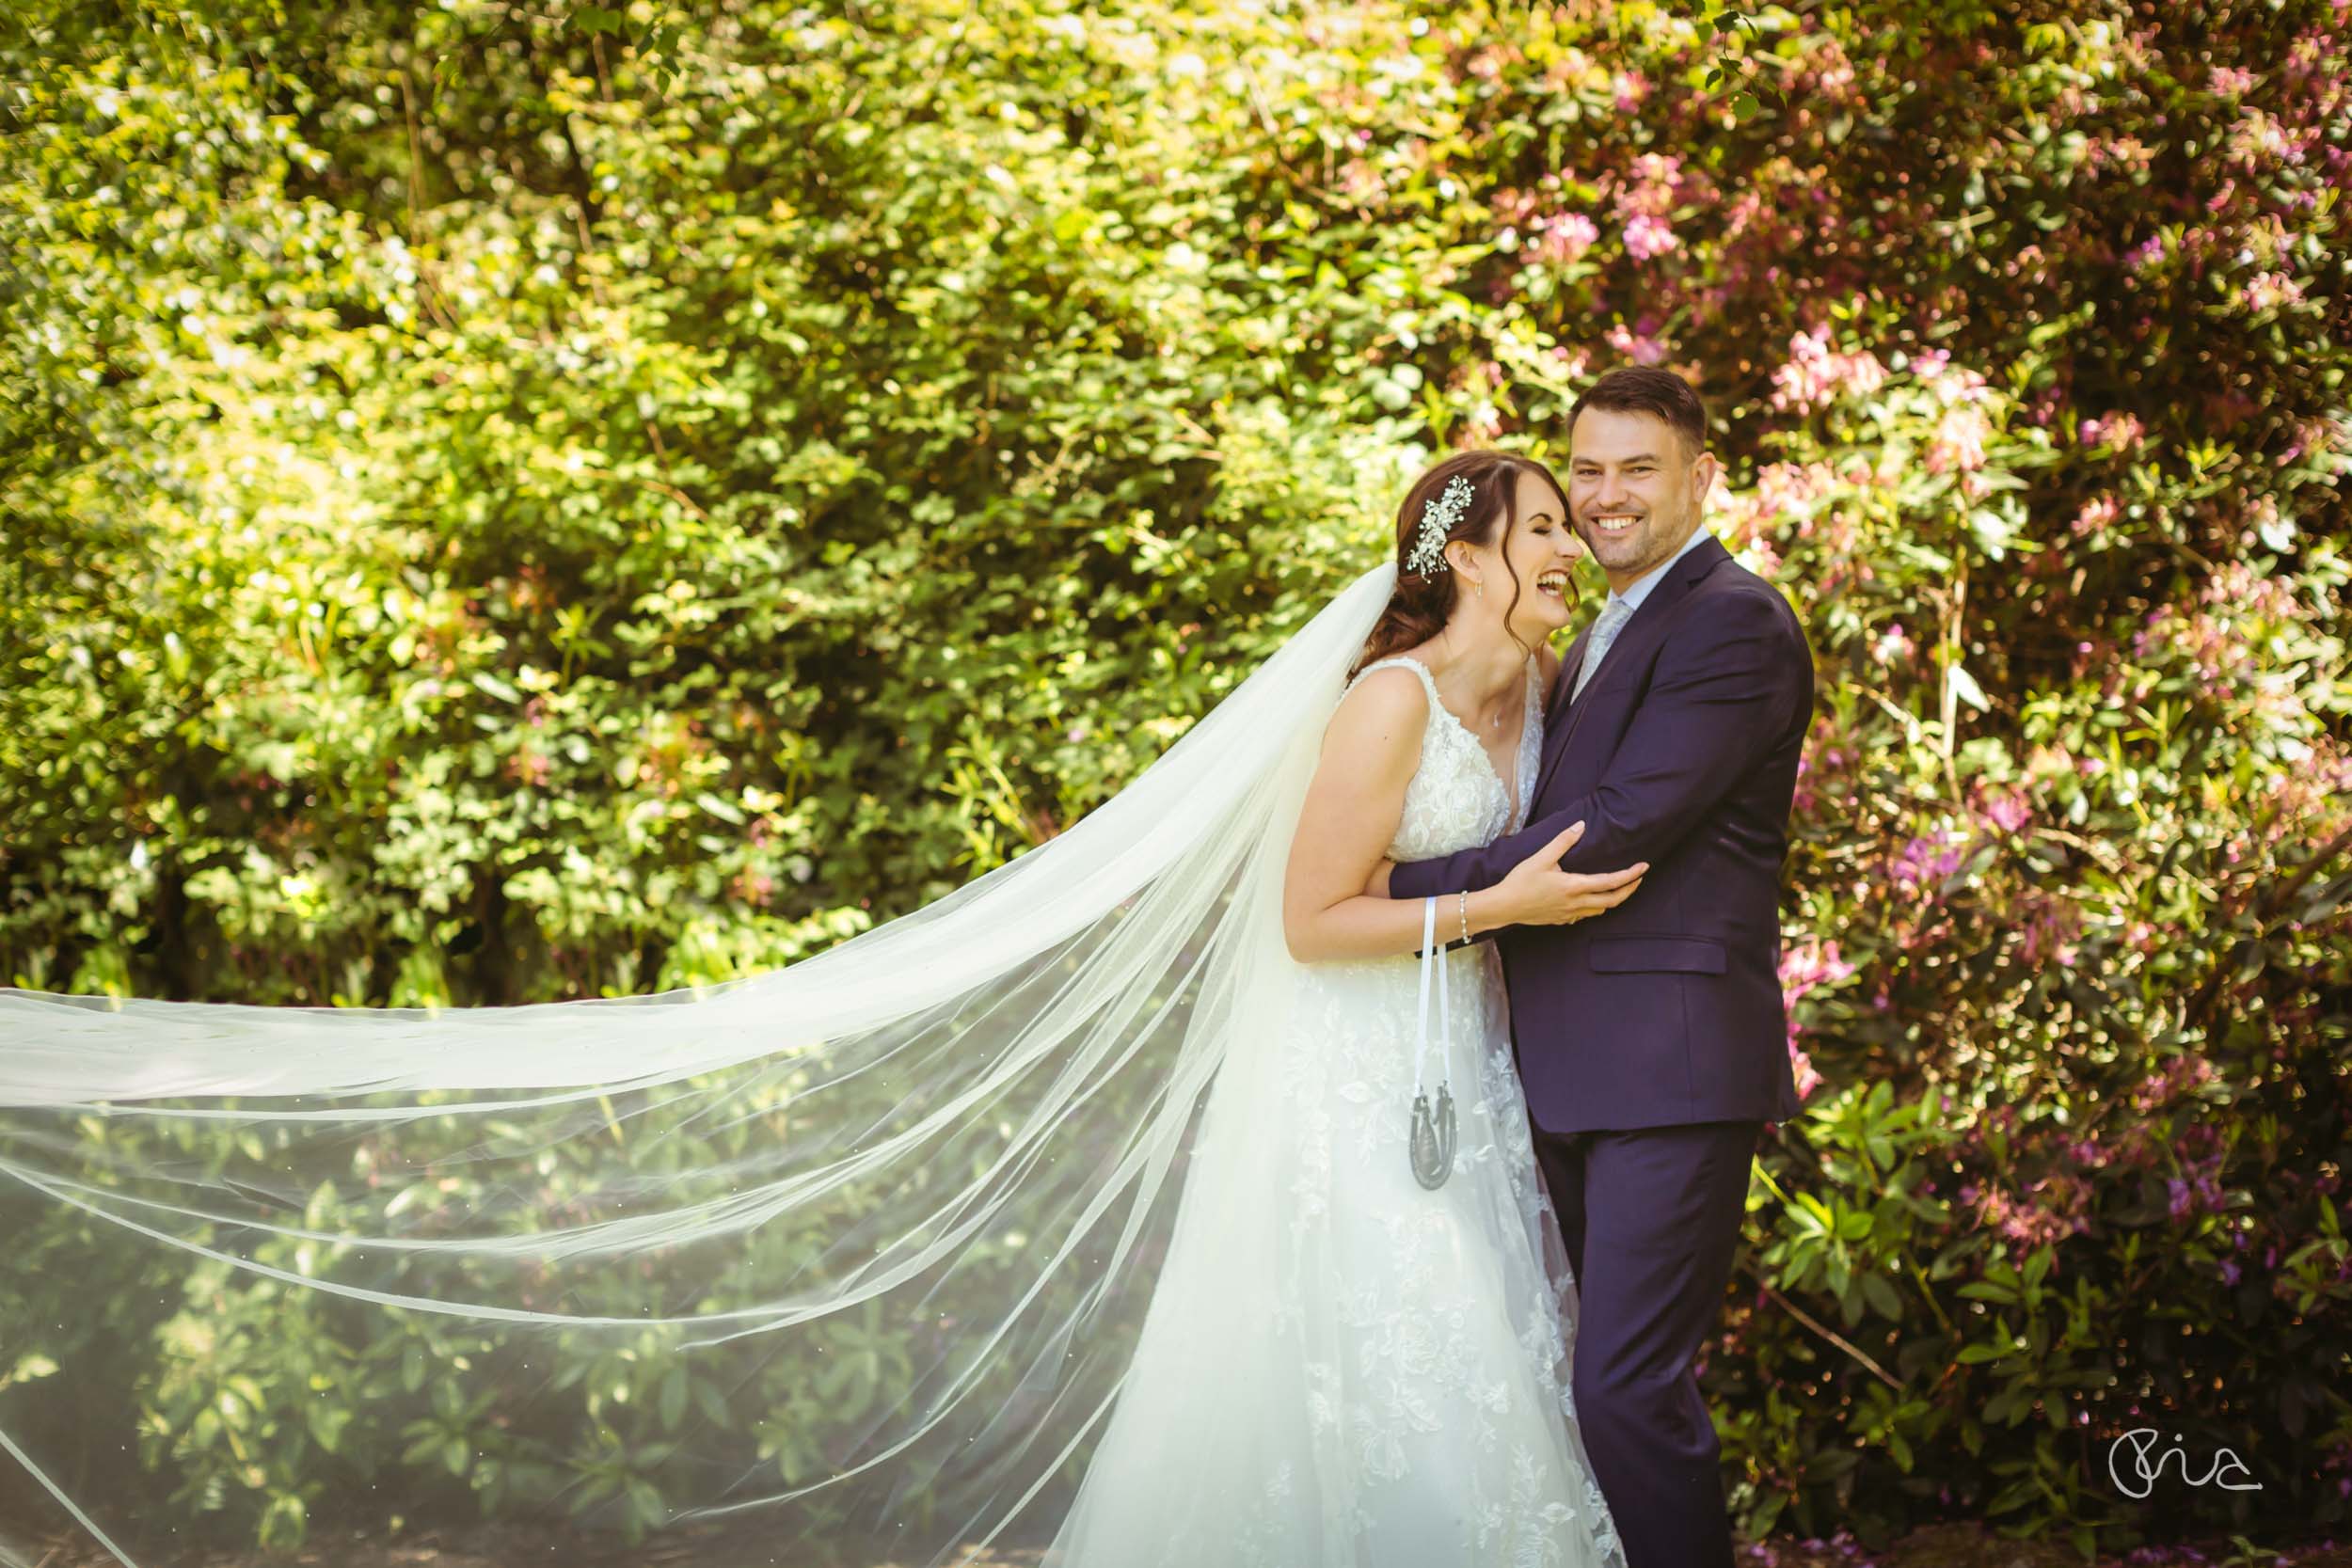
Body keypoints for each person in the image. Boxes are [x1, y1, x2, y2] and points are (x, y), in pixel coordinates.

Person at [1375, 367, 1816, 1568]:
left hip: (1666, 1070)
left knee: (1624, 1390)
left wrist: (1395, 884)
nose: (1605, 496)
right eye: (1585, 469)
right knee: (1562, 1387)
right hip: (1560, 1067)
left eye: (1637, 469)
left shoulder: (1733, 619)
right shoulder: (1588, 637)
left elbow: (1617, 822)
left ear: (1699, 478)